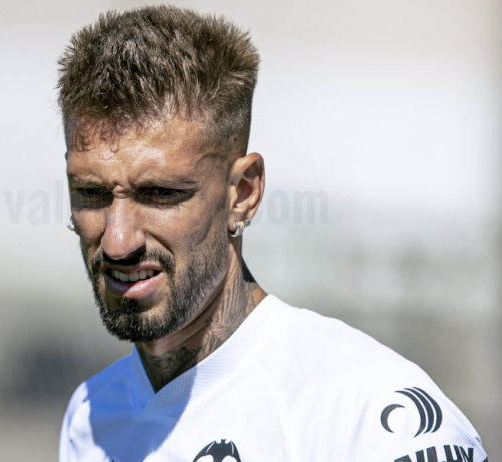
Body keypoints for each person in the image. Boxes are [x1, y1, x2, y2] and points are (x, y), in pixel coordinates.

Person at [56, 5, 487, 462]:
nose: (117, 240)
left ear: (242, 193)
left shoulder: (372, 419)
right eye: (91, 192)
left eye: (160, 193)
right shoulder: (90, 417)